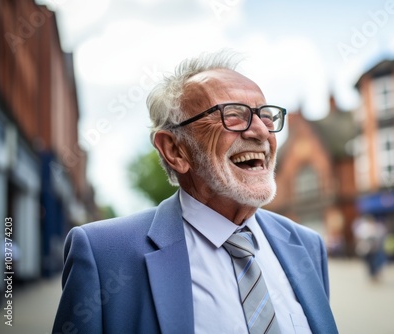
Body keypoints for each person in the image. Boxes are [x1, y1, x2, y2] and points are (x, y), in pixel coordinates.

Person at [52, 50, 339, 334]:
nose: (262, 132)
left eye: (265, 116)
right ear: (175, 150)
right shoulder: (104, 255)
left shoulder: (308, 245)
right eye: (233, 115)